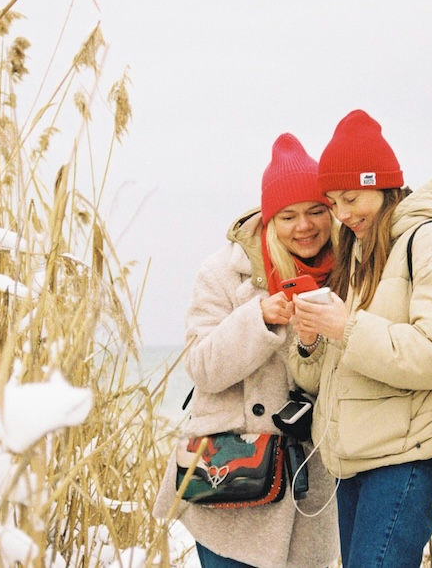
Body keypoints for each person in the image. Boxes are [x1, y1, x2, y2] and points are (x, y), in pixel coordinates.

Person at [289, 109, 432, 566]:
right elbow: (332, 372)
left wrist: (346, 328)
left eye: (350, 198)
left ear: (381, 184)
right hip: (355, 460)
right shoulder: (357, 250)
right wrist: (310, 342)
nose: (341, 213)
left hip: (408, 455)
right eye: (333, 202)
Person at [153, 133, 341, 568]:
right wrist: (259, 319)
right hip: (232, 481)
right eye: (288, 215)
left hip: (308, 485)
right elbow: (201, 367)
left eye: (316, 211)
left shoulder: (350, 268)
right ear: (269, 218)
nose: (304, 226)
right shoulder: (223, 271)